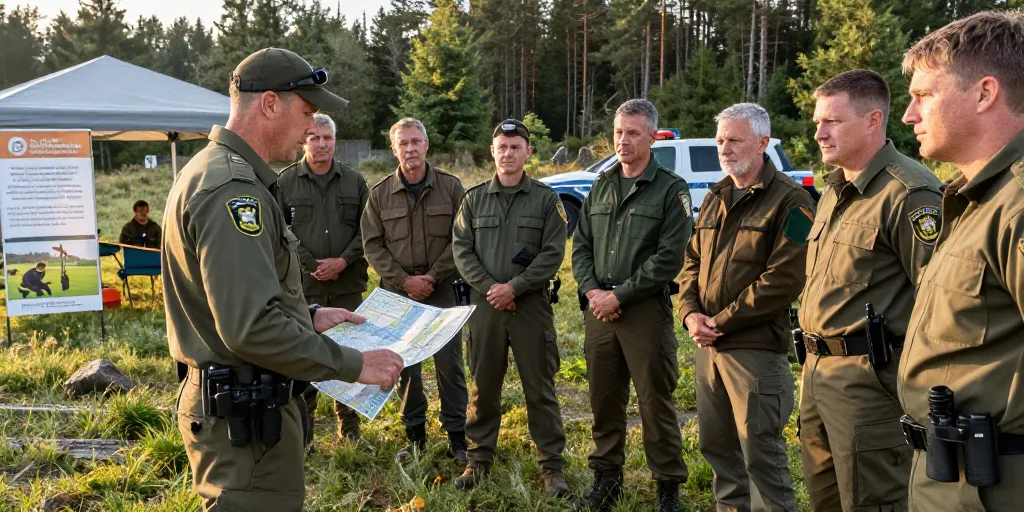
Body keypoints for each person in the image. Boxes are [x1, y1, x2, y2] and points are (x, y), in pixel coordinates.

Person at [162, 47, 404, 511]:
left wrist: (305, 315)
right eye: (308, 111)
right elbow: (250, 327)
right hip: (245, 421)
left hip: (248, 410)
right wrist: (356, 365)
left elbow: (234, 300)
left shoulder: (214, 172)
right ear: (270, 103)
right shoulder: (233, 191)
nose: (313, 129)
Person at [797, 69, 943, 511]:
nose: (819, 133)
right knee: (826, 498)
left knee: (873, 501)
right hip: (816, 374)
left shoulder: (909, 193)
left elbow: (936, 301)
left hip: (870, 382)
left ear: (873, 120)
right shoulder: (833, 191)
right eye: (818, 121)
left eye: (832, 122)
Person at [898, 11, 1024, 510]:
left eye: (924, 95)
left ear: (984, 92)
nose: (909, 114)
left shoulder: (1015, 203)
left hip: (994, 486)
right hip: (951, 474)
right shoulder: (972, 199)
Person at [678, 103, 811, 512]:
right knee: (719, 452)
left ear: (763, 142)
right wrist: (689, 314)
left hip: (754, 351)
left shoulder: (794, 201)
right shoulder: (716, 196)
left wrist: (718, 321)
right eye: (720, 140)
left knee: (761, 460)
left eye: (734, 140)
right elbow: (691, 264)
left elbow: (785, 279)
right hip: (708, 349)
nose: (724, 149)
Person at [571, 99, 693, 512]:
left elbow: (669, 257)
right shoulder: (603, 183)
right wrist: (592, 292)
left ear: (653, 137)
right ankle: (607, 480)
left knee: (654, 401)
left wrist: (618, 296)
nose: (623, 140)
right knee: (604, 399)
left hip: (641, 310)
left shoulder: (670, 189)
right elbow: (582, 244)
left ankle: (667, 487)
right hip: (599, 312)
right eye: (619, 132)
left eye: (634, 133)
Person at [451, 119, 569, 496]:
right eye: (501, 146)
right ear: (492, 151)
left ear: (528, 152)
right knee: (483, 387)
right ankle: (478, 459)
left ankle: (552, 467)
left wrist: (515, 287)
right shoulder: (474, 199)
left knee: (540, 388)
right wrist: (491, 288)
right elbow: (461, 250)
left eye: (515, 146)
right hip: (487, 308)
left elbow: (553, 252)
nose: (508, 153)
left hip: (530, 307)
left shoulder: (546, 200)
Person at [361, 117, 469, 463]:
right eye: (403, 143)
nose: (410, 149)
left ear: (426, 145)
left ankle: (457, 437)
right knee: (404, 365)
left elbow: (462, 239)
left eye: (415, 142)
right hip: (398, 295)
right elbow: (373, 245)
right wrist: (403, 281)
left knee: (449, 366)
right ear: (394, 150)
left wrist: (433, 277)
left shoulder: (452, 189)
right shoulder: (379, 195)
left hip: (442, 291)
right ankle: (416, 436)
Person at [275, 113, 370, 445]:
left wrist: (343, 261)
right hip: (303, 286)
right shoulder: (284, 182)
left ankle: (349, 422)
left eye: (327, 138)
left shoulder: (354, 181)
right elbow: (279, 232)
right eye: (314, 138)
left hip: (347, 285)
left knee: (349, 350)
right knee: (304, 354)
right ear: (304, 141)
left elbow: (367, 230)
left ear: (335, 141)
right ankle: (305, 429)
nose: (321, 144)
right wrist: (310, 262)